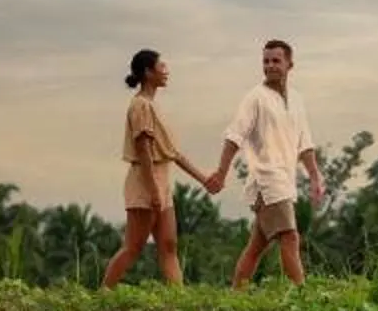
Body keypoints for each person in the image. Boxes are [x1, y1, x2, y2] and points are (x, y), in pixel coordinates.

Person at [208, 37, 325, 285]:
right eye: (266, 61)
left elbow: (305, 144)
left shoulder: (296, 99)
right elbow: (234, 136)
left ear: (289, 64)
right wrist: (221, 172)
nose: (270, 65)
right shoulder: (255, 97)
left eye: (276, 61)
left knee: (256, 246)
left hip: (286, 179)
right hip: (267, 179)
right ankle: (302, 298)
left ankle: (235, 296)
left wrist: (315, 176)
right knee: (290, 238)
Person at [103, 48, 220, 287]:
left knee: (168, 245)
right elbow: (143, 150)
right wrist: (153, 190)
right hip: (146, 181)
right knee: (133, 247)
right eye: (161, 67)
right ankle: (104, 292)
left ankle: (179, 300)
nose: (166, 72)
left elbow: (172, 153)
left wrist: (203, 179)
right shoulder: (140, 106)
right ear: (148, 72)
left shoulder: (154, 106)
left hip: (162, 181)